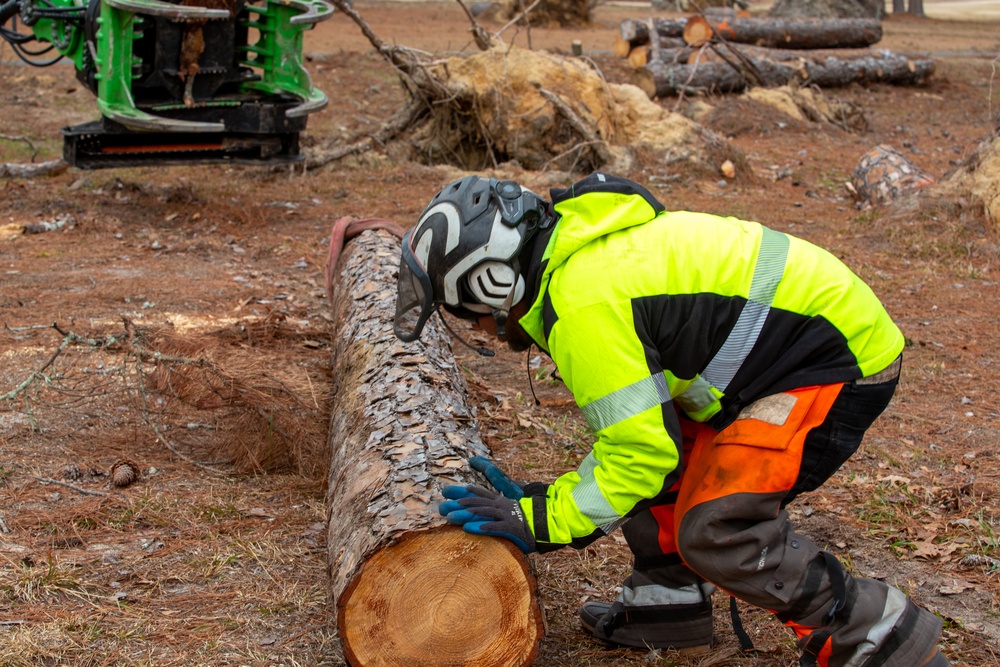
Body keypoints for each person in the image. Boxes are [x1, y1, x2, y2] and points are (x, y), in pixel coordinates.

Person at [392, 172, 948, 667]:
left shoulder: (582, 305)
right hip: (797, 347)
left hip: (832, 361)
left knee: (716, 526)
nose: (487, 335)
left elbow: (640, 456)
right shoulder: (579, 254)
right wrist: (545, 499)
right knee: (662, 457)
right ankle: (667, 608)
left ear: (490, 284)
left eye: (469, 317)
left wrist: (536, 520)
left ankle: (878, 638)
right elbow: (640, 440)